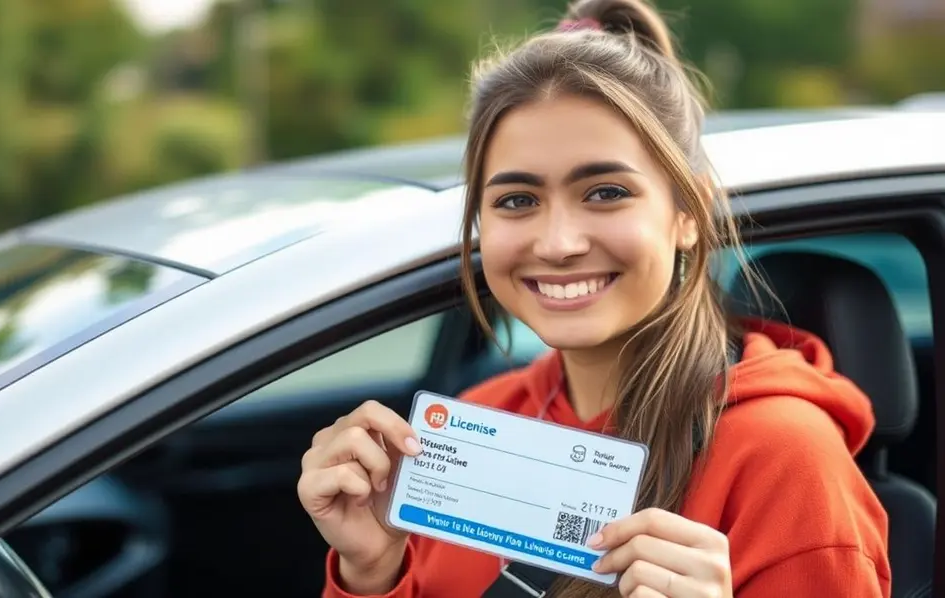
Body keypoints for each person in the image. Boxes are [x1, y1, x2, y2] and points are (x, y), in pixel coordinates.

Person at [296, 0, 892, 596]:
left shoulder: (786, 461)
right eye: (517, 200)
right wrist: (372, 573)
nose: (557, 244)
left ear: (690, 212)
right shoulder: (472, 424)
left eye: (606, 192)